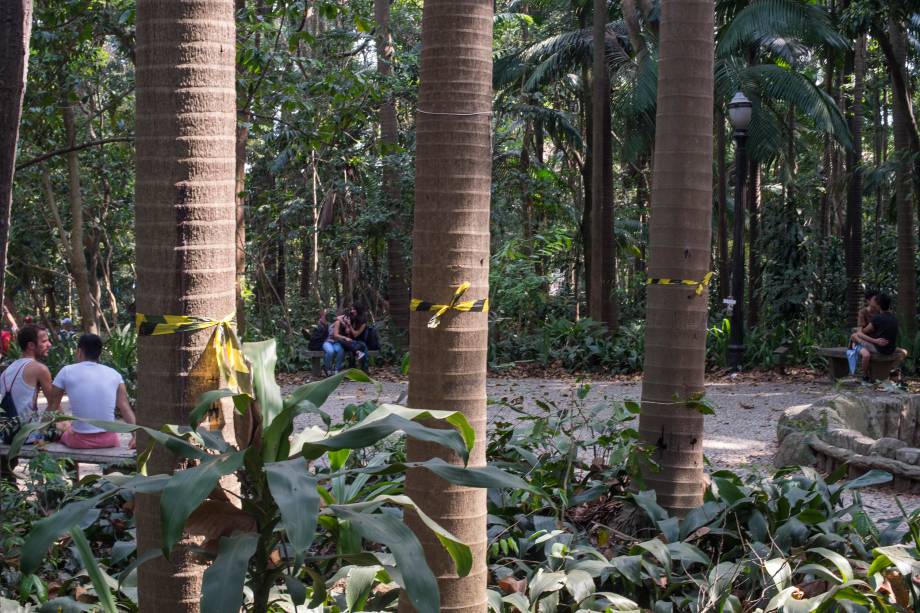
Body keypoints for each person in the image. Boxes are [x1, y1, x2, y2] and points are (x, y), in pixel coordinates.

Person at [47, 333, 136, 449]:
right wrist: (136, 435)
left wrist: (39, 431)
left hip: (79, 440)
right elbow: (125, 408)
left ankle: (73, 467)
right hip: (109, 439)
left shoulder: (66, 371)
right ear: (99, 353)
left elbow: (53, 405)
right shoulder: (115, 374)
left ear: (79, 351)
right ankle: (109, 468)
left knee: (63, 429)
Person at [0, 325, 54, 449]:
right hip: (27, 436)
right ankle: (69, 468)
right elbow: (54, 405)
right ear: (31, 345)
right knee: (67, 430)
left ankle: (5, 467)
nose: (49, 344)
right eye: (44, 341)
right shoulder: (39, 368)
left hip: (6, 435)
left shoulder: (8, 369)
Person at [850, 292, 899, 382]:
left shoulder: (879, 315)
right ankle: (866, 374)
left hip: (876, 344)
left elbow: (863, 332)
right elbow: (861, 331)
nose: (876, 301)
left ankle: (888, 371)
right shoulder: (864, 312)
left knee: (855, 336)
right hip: (879, 344)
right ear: (868, 301)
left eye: (877, 300)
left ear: (878, 305)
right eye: (874, 299)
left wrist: (875, 339)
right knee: (864, 351)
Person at [322, 310, 348, 375]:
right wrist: (342, 321)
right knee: (330, 351)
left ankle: (337, 369)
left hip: (336, 342)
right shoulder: (337, 322)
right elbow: (338, 318)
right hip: (327, 341)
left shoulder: (347, 324)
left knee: (341, 351)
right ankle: (327, 368)